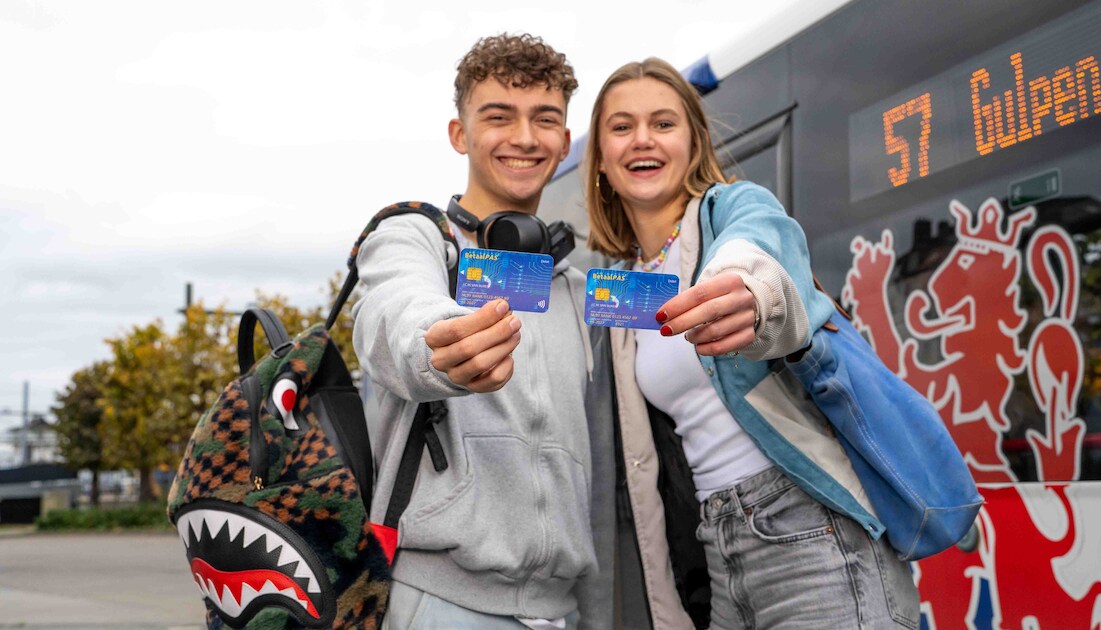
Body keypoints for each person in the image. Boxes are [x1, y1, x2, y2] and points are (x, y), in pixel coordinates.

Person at [584, 57, 920, 629]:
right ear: (601, 162)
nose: (643, 138)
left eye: (663, 123)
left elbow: (761, 246)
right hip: (714, 550)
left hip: (808, 528)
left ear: (694, 142)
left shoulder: (733, 208)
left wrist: (749, 290)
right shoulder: (620, 285)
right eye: (621, 127)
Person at [352, 34, 613, 630]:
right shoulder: (414, 238)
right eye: (498, 117)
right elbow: (392, 312)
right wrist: (440, 345)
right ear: (459, 134)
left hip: (563, 611)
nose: (524, 138)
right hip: (439, 606)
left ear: (564, 141)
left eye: (544, 119)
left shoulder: (583, 287)